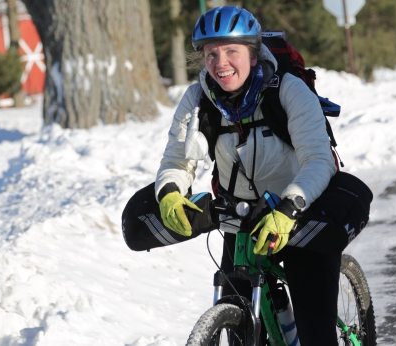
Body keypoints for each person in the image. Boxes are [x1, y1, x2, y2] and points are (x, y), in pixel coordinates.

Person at [148, 5, 371, 345]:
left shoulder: (288, 90)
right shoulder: (198, 99)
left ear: (253, 55)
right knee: (238, 330)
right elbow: (178, 159)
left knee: (316, 332)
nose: (220, 63)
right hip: (240, 218)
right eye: (211, 53)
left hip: (298, 213)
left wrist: (289, 208)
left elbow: (318, 160)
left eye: (231, 51)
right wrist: (169, 193)